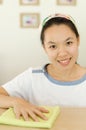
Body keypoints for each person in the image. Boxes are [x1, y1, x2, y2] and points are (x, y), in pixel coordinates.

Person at [0, 13, 86, 121]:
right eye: (53, 46)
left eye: (68, 43)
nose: (63, 53)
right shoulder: (32, 77)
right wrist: (16, 101)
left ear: (78, 40)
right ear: (45, 48)